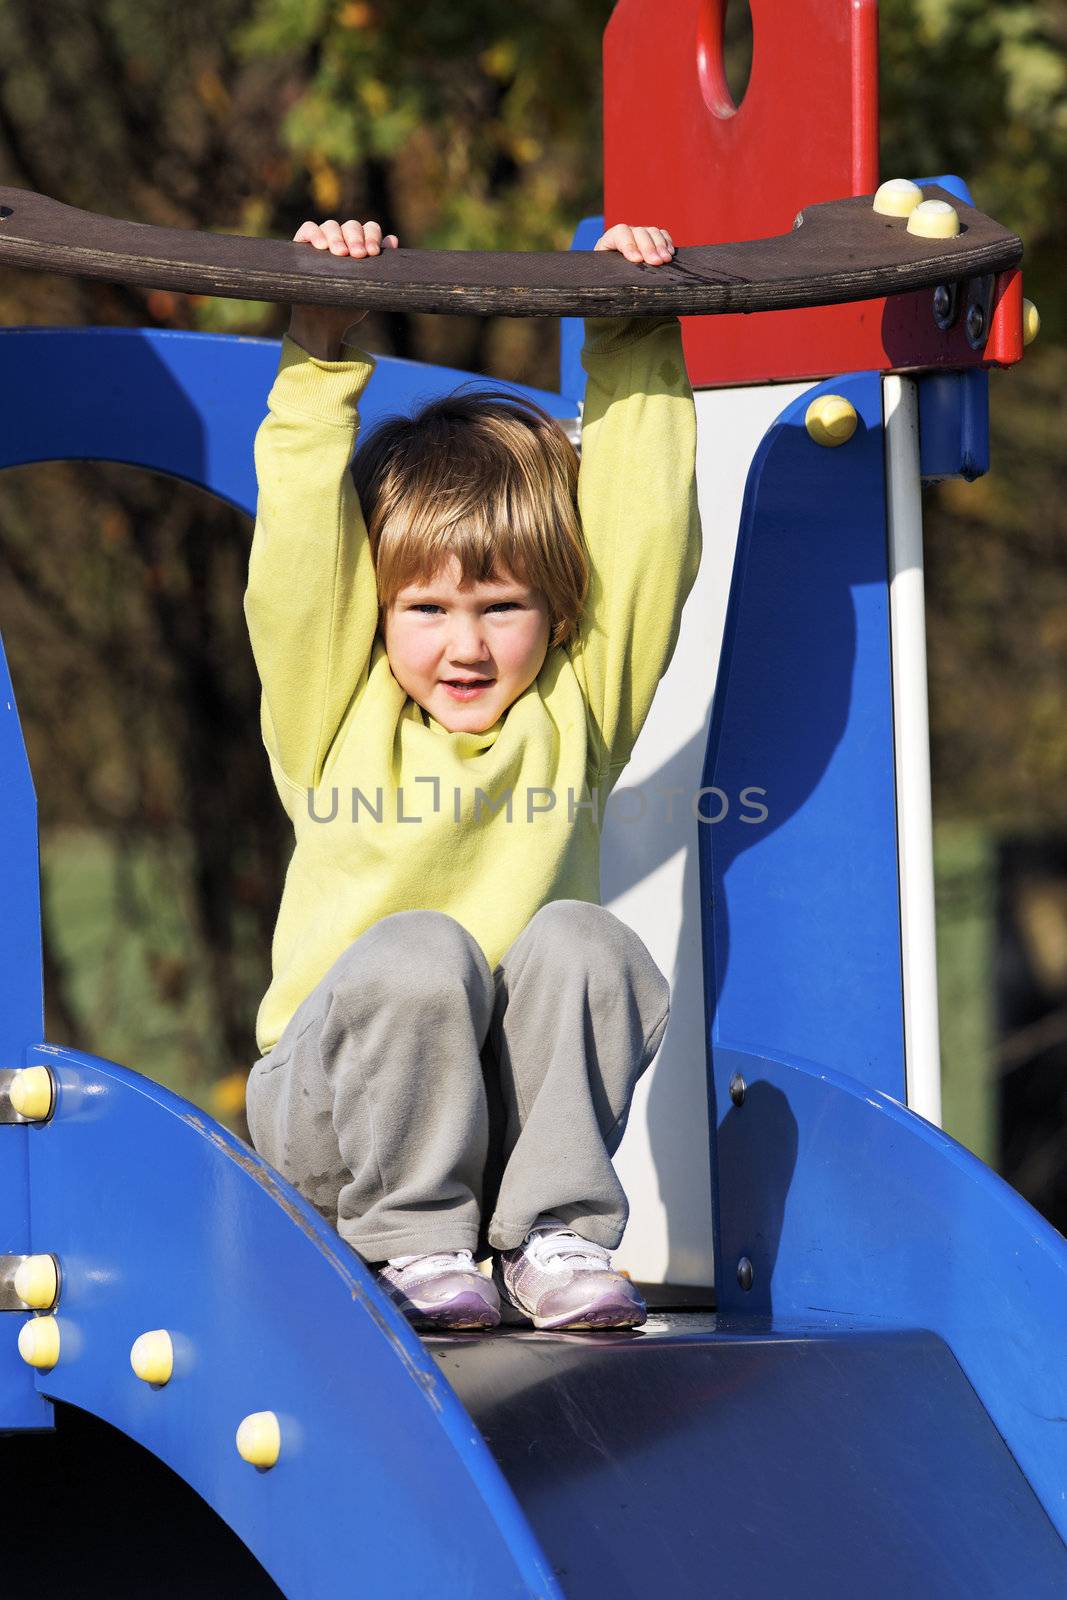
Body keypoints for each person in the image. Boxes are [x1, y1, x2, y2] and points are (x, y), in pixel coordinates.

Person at [244, 215, 701, 1333]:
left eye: (501, 607)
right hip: (336, 1123)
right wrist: (318, 347)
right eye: (428, 608)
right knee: (421, 949)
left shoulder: (575, 711)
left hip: (498, 1143)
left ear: (555, 614)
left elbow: (643, 535)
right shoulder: (334, 715)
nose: (465, 644)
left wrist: (631, 329)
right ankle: (408, 1245)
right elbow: (303, 558)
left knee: (586, 940)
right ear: (381, 613)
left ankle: (551, 1237)